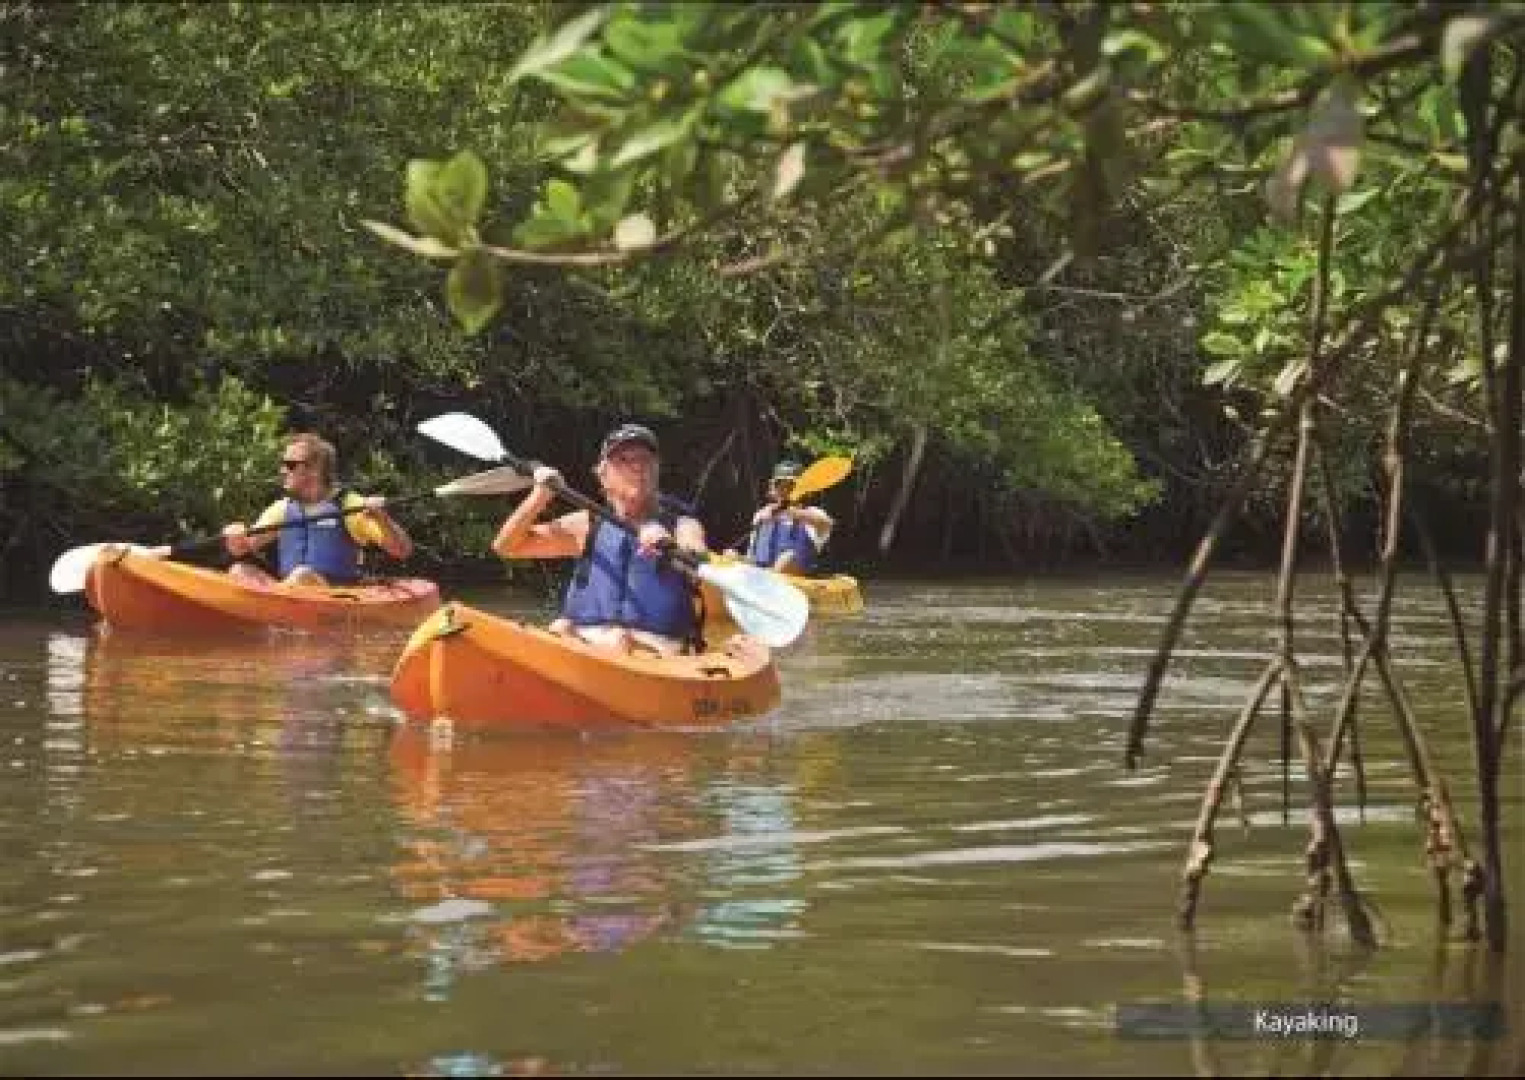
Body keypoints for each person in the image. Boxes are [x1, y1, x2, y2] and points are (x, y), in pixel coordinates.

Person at [492, 423, 706, 657]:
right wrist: (539, 497)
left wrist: (669, 546)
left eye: (645, 459)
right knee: (560, 627)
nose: (637, 467)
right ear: (603, 475)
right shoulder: (586, 526)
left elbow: (697, 560)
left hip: (657, 647)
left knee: (619, 640)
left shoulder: (683, 526)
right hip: (585, 641)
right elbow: (506, 546)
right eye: (624, 460)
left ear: (657, 469)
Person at [212, 432, 414, 587]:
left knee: (302, 575)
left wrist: (382, 518)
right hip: (290, 592)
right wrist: (235, 537)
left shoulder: (350, 506)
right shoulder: (282, 509)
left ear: (315, 469)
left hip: (336, 597)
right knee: (240, 570)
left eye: (290, 465)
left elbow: (402, 551)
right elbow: (242, 548)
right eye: (283, 464)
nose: (283, 470)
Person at [742, 460, 834, 575]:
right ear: (773, 489)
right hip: (759, 576)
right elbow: (751, 556)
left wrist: (788, 511)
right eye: (780, 485)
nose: (785, 490)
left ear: (805, 490)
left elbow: (826, 524)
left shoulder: (814, 514)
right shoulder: (761, 515)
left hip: (794, 583)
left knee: (786, 559)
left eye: (791, 486)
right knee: (731, 555)